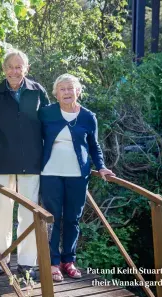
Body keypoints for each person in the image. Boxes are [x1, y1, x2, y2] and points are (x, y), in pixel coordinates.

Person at [0, 49, 50, 278]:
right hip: (1, 161)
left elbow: (48, 128)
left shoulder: (37, 92)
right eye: (10, 66)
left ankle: (27, 263)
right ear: (4, 69)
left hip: (32, 162)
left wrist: (49, 160)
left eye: (19, 66)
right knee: (1, 213)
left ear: (26, 68)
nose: (14, 71)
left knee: (28, 213)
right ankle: (0, 260)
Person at [39, 74, 115, 282]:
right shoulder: (46, 113)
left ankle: (68, 261)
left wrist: (101, 167)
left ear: (78, 91)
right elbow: (33, 139)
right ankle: (54, 263)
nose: (66, 92)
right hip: (50, 174)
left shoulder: (88, 116)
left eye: (70, 88)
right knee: (53, 219)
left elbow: (94, 146)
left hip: (78, 176)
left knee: (73, 219)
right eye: (62, 89)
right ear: (55, 93)